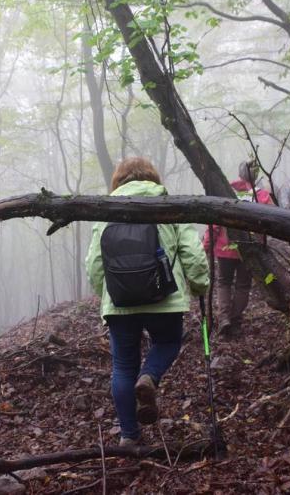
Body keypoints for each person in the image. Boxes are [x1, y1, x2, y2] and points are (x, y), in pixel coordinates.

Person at [85, 157, 209, 447]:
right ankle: (150, 377)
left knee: (122, 367)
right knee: (167, 343)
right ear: (153, 177)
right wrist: (200, 285)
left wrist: (107, 294)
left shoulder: (105, 212)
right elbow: (192, 251)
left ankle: (129, 436)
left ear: (118, 181)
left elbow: (94, 264)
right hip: (164, 298)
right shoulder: (169, 206)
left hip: (120, 304)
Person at [203, 159, 273, 336]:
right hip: (249, 249)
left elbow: (215, 222)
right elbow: (271, 223)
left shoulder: (227, 192)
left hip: (224, 249)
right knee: (243, 285)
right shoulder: (262, 196)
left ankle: (225, 318)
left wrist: (207, 244)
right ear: (256, 175)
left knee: (223, 282)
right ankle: (234, 320)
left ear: (240, 174)